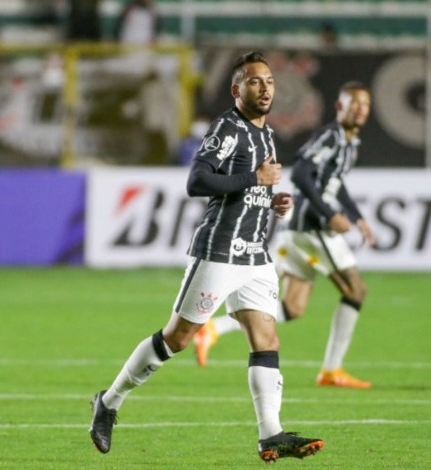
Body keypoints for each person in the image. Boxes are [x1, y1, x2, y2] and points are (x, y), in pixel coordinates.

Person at [89, 51, 325, 463]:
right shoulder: (227, 128)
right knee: (177, 339)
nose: (265, 87)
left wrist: (272, 200)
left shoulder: (266, 134)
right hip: (219, 253)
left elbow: (249, 190)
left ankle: (271, 434)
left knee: (266, 339)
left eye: (269, 81)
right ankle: (108, 401)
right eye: (255, 81)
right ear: (237, 90)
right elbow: (197, 180)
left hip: (255, 256)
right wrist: (255, 178)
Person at [194, 81, 376, 390]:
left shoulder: (350, 142)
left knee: (293, 307)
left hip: (301, 230)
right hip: (313, 227)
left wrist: (356, 216)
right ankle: (332, 370)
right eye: (353, 103)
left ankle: (213, 329)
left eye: (364, 104)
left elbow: (335, 182)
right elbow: (302, 172)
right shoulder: (331, 136)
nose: (359, 109)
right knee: (356, 291)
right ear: (339, 107)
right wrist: (330, 214)